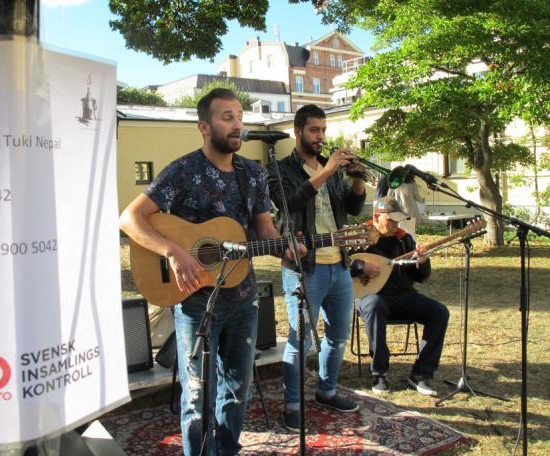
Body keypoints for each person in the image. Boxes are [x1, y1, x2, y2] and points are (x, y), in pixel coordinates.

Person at [119, 88, 300, 455]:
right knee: (197, 397)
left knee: (236, 392)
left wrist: (286, 246)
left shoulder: (251, 173)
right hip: (195, 303)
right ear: (204, 126)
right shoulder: (183, 171)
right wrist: (172, 251)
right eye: (227, 117)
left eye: (239, 116)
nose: (237, 124)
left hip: (243, 299)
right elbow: (129, 218)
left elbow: (264, 229)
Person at [267, 104, 367, 432]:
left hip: (338, 264)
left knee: (338, 336)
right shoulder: (280, 169)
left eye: (323, 130)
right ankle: (292, 403)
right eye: (313, 130)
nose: (320, 137)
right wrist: (327, 171)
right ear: (297, 132)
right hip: (304, 267)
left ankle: (326, 390)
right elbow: (289, 202)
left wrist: (357, 182)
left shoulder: (331, 168)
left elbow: (351, 208)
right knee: (300, 340)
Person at [352, 196, 449, 396]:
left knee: (439, 312)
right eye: (391, 220)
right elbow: (341, 265)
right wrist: (361, 267)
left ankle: (421, 375)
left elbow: (420, 277)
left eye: (398, 221)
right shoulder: (358, 236)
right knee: (374, 305)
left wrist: (422, 262)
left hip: (403, 295)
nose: (396, 225)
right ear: (377, 217)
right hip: (369, 295)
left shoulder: (404, 239)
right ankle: (380, 373)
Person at [387, 173, 425, 240]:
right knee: (411, 232)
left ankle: (402, 249)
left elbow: (389, 196)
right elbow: (417, 197)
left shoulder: (395, 182)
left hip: (398, 211)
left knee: (400, 231)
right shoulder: (412, 183)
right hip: (410, 211)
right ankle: (412, 248)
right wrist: (423, 200)